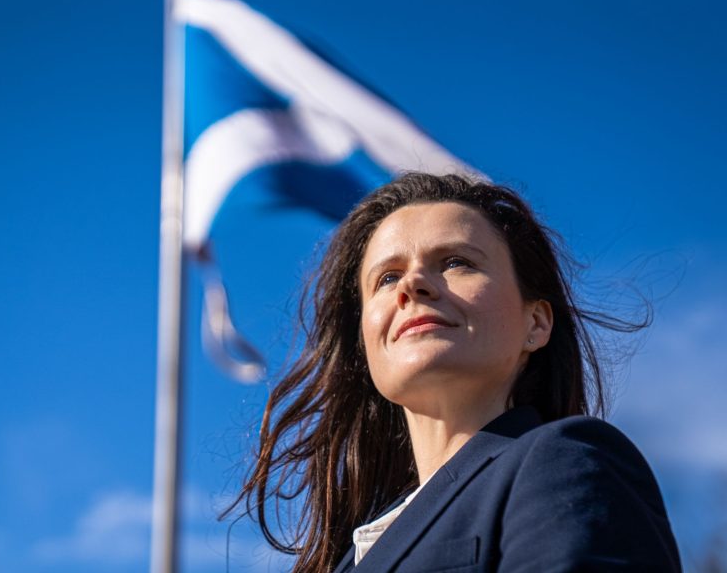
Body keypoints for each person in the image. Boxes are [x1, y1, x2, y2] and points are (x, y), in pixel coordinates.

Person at [229, 173, 681, 572]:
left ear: (536, 323)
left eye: (456, 262)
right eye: (386, 278)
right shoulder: (351, 554)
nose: (412, 285)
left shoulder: (563, 461)